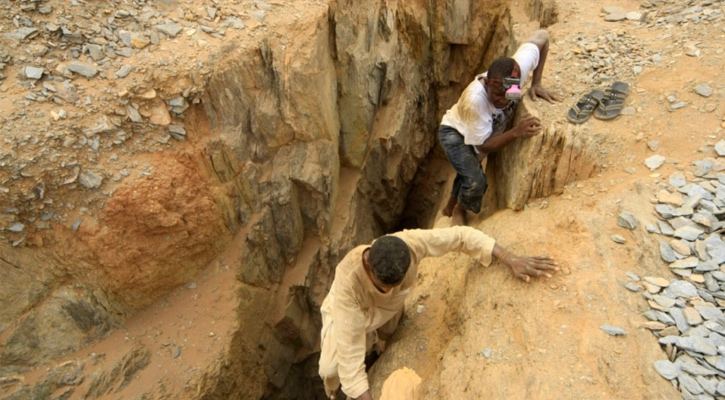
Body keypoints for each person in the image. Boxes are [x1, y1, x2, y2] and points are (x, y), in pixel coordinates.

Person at [318, 226, 559, 400]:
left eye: (396, 284)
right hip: (353, 316)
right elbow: (350, 358)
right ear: (368, 265)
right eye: (384, 286)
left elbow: (460, 237)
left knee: (389, 332)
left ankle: (379, 349)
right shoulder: (347, 287)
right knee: (331, 368)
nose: (390, 289)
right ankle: (333, 393)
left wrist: (509, 258)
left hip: (388, 310)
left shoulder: (408, 244)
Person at [439, 29, 562, 225]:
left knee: (469, 168)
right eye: (496, 95)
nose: (503, 101)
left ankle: (449, 207)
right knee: (475, 180)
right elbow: (483, 147)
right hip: (454, 132)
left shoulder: (516, 73)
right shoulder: (475, 102)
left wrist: (536, 82)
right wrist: (516, 132)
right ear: (486, 82)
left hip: (478, 131)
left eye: (509, 95)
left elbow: (542, 37)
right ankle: (458, 211)